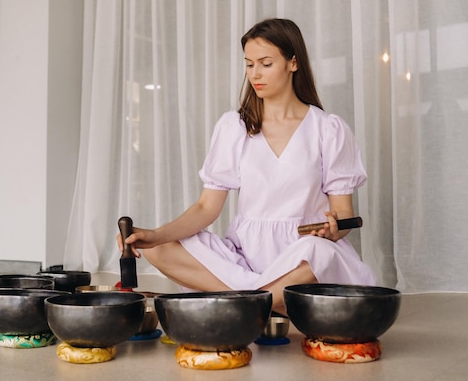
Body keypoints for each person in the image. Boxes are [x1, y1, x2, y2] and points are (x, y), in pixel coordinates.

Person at [118, 18, 376, 314]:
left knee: (321, 253)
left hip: (301, 254)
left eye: (266, 63)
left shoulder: (328, 129)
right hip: (244, 259)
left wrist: (334, 231)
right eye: (249, 64)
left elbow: (344, 214)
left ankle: (249, 302)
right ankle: (263, 301)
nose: (255, 74)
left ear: (293, 63)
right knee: (161, 248)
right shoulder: (235, 126)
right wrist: (155, 235)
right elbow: (206, 208)